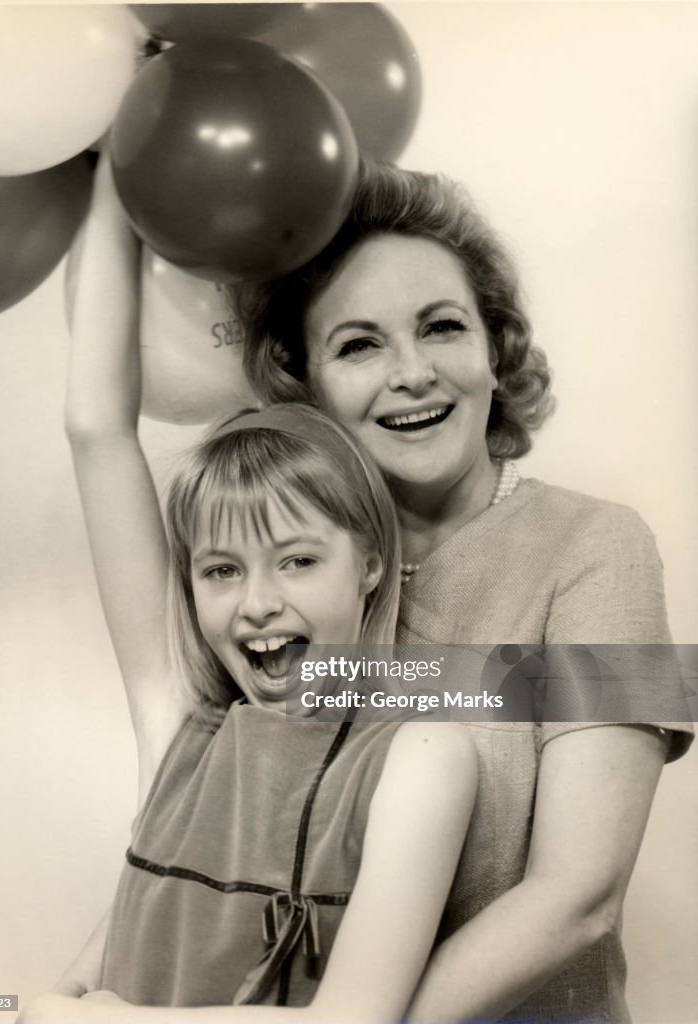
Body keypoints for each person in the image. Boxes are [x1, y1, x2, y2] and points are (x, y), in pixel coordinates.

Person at [16, 155, 479, 1024]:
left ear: (371, 561)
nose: (256, 602)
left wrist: (87, 1017)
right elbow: (95, 428)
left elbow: (353, 1021)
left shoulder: (421, 756)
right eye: (221, 570)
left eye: (298, 561)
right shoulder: (182, 721)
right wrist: (121, 166)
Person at [231, 160, 694, 1023]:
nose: (412, 372)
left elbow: (578, 899)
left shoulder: (604, 546)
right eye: (360, 343)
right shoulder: (289, 580)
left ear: (494, 350)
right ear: (310, 385)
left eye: (441, 327)